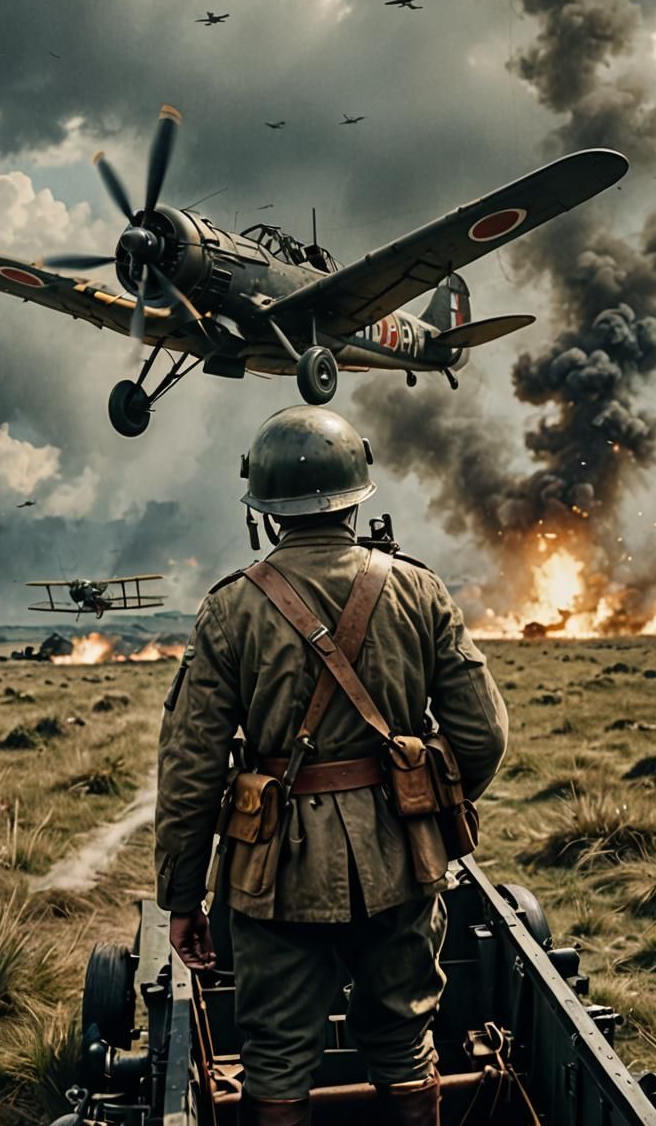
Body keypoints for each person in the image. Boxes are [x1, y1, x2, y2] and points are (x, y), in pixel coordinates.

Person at [155, 406, 508, 1126]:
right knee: (408, 1045)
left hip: (276, 874)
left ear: (266, 511)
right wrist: (426, 799)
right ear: (357, 495)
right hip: (403, 856)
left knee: (276, 1059)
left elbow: (190, 769)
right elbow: (483, 734)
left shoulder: (230, 609)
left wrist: (183, 897)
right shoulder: (419, 589)